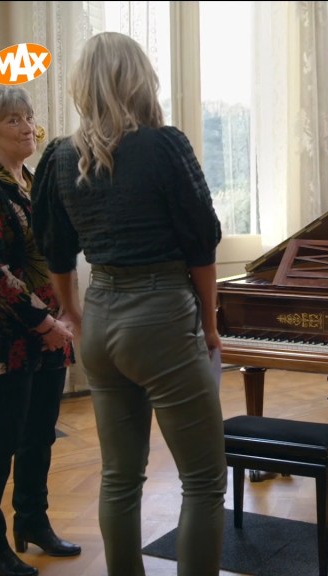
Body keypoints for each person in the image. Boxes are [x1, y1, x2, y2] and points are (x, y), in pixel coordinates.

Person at [30, 32, 227, 576]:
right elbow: (201, 243)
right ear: (140, 79)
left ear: (83, 85)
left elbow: (55, 249)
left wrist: (72, 313)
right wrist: (210, 325)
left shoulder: (59, 155)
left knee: (119, 478)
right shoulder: (164, 145)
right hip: (162, 314)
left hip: (101, 316)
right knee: (204, 480)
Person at [0, 86, 80, 576]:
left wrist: (65, 315)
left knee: (38, 437)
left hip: (52, 329)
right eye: (12, 119)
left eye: (28, 116)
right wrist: (45, 322)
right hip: (6, 336)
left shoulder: (35, 181)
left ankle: (32, 521)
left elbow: (58, 251)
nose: (27, 126)